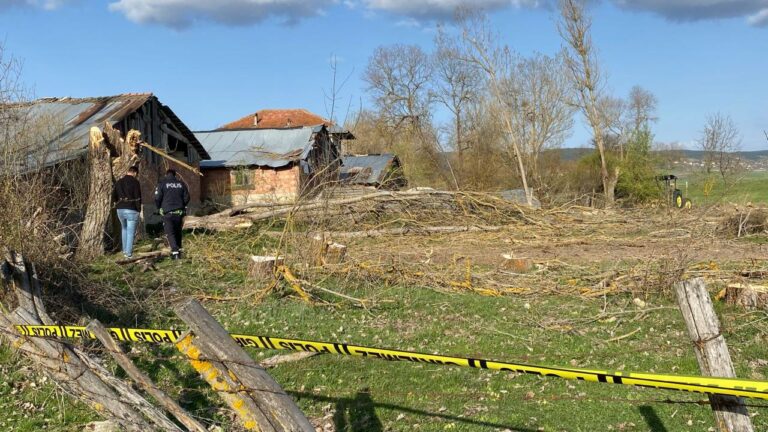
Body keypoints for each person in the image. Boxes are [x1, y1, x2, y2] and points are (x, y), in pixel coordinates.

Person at [154, 169, 190, 260]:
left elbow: (157, 197)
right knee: (178, 232)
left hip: (167, 212)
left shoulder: (162, 184)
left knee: (170, 233)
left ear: (166, 175)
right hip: (179, 212)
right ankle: (179, 250)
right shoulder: (181, 184)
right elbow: (187, 197)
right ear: (175, 175)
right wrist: (182, 204)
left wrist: (159, 207)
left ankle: (175, 253)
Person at [113, 166, 142, 258]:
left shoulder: (119, 182)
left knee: (124, 229)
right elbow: (138, 197)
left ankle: (125, 251)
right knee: (130, 232)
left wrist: (118, 203)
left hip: (120, 209)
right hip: (131, 209)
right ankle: (128, 254)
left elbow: (114, 196)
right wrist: (138, 210)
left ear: (128, 171)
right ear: (135, 173)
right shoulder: (135, 182)